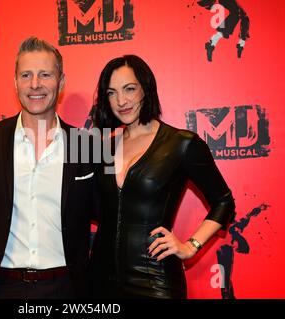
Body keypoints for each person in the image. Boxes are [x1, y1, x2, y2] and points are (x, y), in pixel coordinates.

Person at [0, 36, 96, 299]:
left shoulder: (85, 144)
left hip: (66, 288)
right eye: (26, 75)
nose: (35, 85)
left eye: (45, 74)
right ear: (15, 82)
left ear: (61, 82)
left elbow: (107, 213)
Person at [88, 55, 236, 299]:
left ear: (146, 89)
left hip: (154, 280)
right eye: (112, 93)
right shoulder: (103, 148)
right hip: (100, 280)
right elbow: (96, 209)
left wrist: (191, 246)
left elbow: (224, 201)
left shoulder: (181, 144)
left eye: (130, 89)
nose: (121, 101)